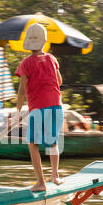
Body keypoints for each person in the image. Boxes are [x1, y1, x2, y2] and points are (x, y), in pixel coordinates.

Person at [15, 23, 64, 192]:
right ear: (43, 42)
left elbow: (22, 90)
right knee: (53, 142)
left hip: (38, 107)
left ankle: (41, 183)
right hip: (56, 105)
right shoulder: (52, 59)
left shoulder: (26, 64)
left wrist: (17, 111)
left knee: (33, 144)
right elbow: (59, 82)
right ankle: (55, 176)